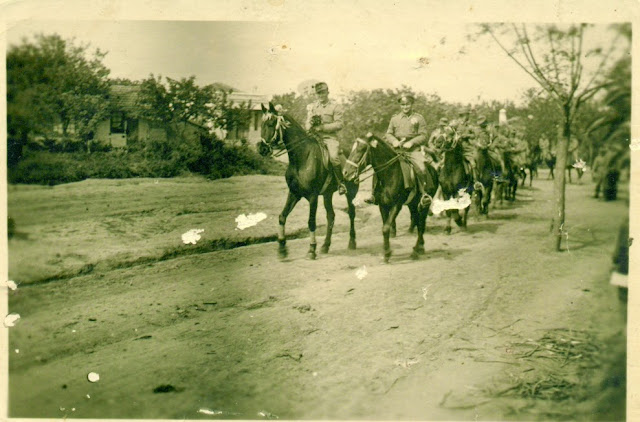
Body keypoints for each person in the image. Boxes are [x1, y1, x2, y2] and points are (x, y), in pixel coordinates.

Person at [382, 93, 432, 207]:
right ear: (400, 105)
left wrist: (412, 142)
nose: (405, 107)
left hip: (413, 150)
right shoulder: (395, 118)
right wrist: (394, 141)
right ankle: (375, 193)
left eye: (407, 104)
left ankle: (424, 195)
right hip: (396, 150)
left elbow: (424, 135)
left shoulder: (419, 118)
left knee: (422, 168)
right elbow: (388, 133)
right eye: (403, 104)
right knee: (381, 166)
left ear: (412, 104)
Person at [305, 82, 347, 194]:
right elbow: (308, 122)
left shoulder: (335, 107)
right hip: (313, 136)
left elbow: (339, 124)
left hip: (329, 138)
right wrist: (309, 126)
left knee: (333, 157)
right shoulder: (312, 107)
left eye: (323, 93)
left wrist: (322, 128)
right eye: (318, 93)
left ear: (327, 92)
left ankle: (341, 183)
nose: (320, 95)